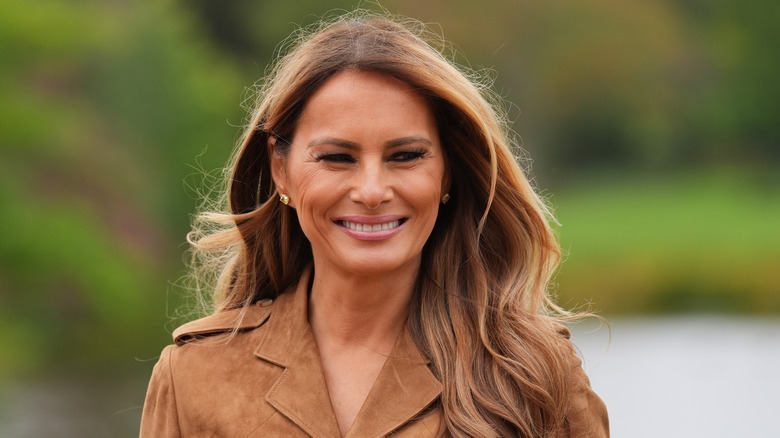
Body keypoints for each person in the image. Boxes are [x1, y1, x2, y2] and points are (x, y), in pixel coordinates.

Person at [140, 11, 608, 438]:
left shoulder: (535, 374)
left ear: (447, 171)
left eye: (405, 156)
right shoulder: (194, 375)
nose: (371, 191)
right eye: (336, 157)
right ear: (281, 170)